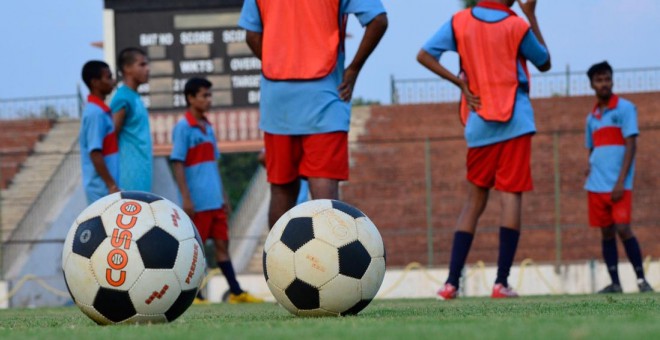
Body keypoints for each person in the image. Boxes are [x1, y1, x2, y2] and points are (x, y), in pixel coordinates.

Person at [417, 0, 551, 299]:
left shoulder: (460, 20)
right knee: (510, 196)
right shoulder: (517, 24)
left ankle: (451, 283)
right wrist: (530, 15)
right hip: (516, 119)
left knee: (474, 201)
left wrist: (460, 85)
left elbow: (424, 55)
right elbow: (544, 61)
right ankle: (501, 283)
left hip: (478, 121)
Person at [239, 0, 388, 228]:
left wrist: (279, 61)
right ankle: (327, 262)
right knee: (324, 193)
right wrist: (354, 69)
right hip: (325, 96)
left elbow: (251, 35)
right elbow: (378, 20)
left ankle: (277, 262)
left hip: (278, 99)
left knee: (281, 189)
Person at [171, 77, 263, 304]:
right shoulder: (183, 127)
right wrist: (186, 198)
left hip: (215, 200)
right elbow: (177, 162)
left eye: (210, 95)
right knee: (197, 249)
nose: (208, 100)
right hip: (198, 201)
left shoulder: (208, 127)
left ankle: (236, 292)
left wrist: (223, 196)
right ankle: (195, 295)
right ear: (190, 98)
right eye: (204, 95)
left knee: (223, 246)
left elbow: (213, 164)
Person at [583, 61, 654, 294]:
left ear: (612, 81)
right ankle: (615, 283)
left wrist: (621, 181)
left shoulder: (625, 108)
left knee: (623, 228)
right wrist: (590, 167)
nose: (604, 84)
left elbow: (631, 144)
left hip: (618, 185)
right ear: (592, 84)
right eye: (599, 80)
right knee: (606, 232)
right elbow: (593, 149)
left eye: (607, 79)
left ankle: (642, 280)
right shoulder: (591, 118)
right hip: (596, 185)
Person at [110, 47, 153, 192]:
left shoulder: (135, 97)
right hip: (128, 178)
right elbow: (111, 137)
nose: (147, 69)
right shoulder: (122, 98)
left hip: (142, 174)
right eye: (142, 64)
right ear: (127, 68)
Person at [79, 60, 120, 204]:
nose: (113, 81)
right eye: (108, 77)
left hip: (104, 188)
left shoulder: (100, 111)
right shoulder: (95, 113)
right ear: (95, 82)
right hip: (100, 189)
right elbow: (95, 152)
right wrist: (111, 185)